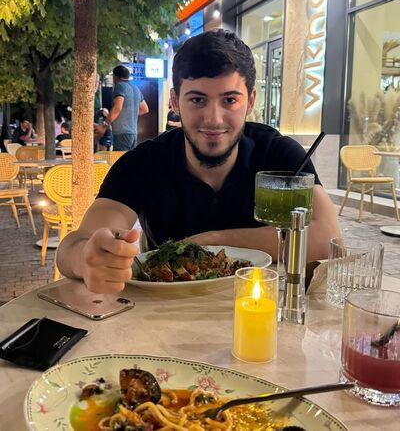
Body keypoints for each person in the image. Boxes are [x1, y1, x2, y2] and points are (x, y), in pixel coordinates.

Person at [57, 29, 340, 294]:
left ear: (251, 101)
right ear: (175, 101)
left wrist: (209, 241)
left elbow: (329, 240)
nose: (213, 119)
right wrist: (88, 258)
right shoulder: (143, 163)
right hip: (165, 317)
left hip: (260, 308)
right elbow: (72, 247)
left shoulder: (279, 153)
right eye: (197, 100)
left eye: (230, 100)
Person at [103, 65, 149, 151]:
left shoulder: (119, 86)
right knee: (130, 158)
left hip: (121, 133)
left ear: (115, 76)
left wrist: (105, 124)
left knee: (120, 158)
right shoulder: (136, 88)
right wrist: (130, 113)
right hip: (133, 133)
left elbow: (117, 107)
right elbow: (145, 109)